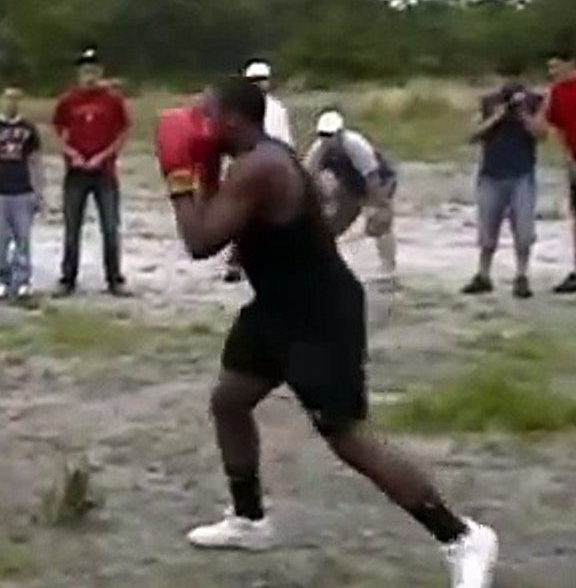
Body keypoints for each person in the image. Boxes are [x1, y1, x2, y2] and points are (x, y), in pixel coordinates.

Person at [154, 76, 498, 588]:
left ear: (231, 120)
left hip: (320, 314)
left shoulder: (260, 167)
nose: (195, 122)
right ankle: (249, 520)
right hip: (276, 307)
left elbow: (201, 240)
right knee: (230, 400)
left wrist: (180, 175)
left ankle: (462, 537)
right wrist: (202, 168)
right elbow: (225, 229)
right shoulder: (255, 158)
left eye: (205, 113)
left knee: (346, 436)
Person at [52, 48, 131, 296]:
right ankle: (68, 278)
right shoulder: (68, 100)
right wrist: (70, 153)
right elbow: (56, 129)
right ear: (79, 73)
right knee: (72, 227)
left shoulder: (112, 100)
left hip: (104, 171)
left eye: (94, 70)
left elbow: (124, 131)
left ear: (100, 72)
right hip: (76, 172)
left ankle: (114, 278)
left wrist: (105, 155)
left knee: (109, 227)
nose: (90, 75)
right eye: (85, 71)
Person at [462, 67, 544, 298]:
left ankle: (521, 276)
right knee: (487, 228)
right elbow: (472, 134)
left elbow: (541, 133)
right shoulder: (489, 102)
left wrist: (521, 115)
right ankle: (483, 274)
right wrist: (498, 115)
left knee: (524, 230)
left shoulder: (534, 102)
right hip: (491, 174)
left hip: (522, 174)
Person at [304, 109, 398, 287]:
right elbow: (307, 174)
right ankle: (326, 264)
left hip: (380, 181)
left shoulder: (356, 145)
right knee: (331, 226)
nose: (326, 138)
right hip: (351, 186)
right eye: (323, 135)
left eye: (330, 135)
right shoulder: (319, 148)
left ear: (340, 133)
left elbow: (372, 178)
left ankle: (389, 267)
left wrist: (375, 206)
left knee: (379, 223)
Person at [224, 60, 293, 283]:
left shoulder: (277, 109)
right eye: (254, 81)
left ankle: (246, 262)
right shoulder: (236, 110)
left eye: (261, 80)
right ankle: (237, 262)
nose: (259, 85)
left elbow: (285, 141)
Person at [0, 87, 44, 300]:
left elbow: (35, 161)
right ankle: (2, 280)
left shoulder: (29, 129)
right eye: (7, 100)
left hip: (23, 190)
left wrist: (38, 190)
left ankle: (23, 281)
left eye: (15, 100)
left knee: (23, 238)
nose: (11, 104)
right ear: (0, 102)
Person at [539, 49, 576, 293]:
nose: (552, 73)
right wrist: (568, 160)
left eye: (557, 67)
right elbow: (558, 129)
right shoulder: (557, 93)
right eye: (549, 68)